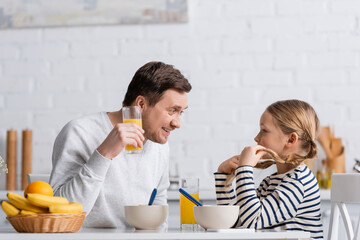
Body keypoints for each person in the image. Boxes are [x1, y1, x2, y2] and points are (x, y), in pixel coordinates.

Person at [49, 61, 192, 228]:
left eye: (181, 112)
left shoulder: (159, 145)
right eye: (172, 110)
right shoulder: (80, 132)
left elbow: (158, 209)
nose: (177, 123)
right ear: (141, 104)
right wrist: (104, 154)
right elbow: (60, 214)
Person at [215, 99, 323, 239]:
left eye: (264, 131)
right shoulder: (270, 182)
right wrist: (225, 177)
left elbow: (252, 221)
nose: (256, 137)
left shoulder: (299, 183)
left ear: (291, 140)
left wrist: (245, 169)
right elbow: (234, 221)